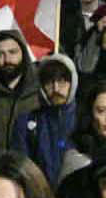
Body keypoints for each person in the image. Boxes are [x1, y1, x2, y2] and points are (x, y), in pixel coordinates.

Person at [10, 55, 79, 185]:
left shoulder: (85, 119)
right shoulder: (26, 123)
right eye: (49, 82)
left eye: (62, 80)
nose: (56, 88)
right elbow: (20, 168)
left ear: (73, 82)